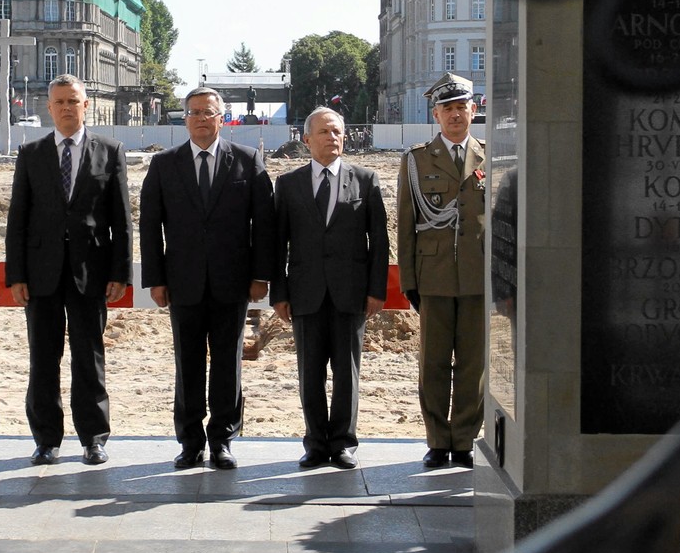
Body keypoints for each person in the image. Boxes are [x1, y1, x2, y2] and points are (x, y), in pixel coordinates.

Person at [139, 86, 275, 470]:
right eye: (194, 112)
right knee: (188, 362)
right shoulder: (164, 165)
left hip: (233, 282)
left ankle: (222, 439)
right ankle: (190, 441)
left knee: (228, 363)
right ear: (185, 118)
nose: (201, 118)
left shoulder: (248, 162)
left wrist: (261, 276)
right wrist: (156, 279)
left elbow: (263, 225)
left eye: (209, 112)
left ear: (222, 117)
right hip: (182, 282)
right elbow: (150, 226)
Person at [5, 74, 132, 466]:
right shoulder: (31, 153)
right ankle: (46, 439)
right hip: (41, 274)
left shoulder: (109, 152)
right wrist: (17, 275)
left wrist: (120, 274)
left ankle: (93, 437)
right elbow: (17, 219)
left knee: (88, 357)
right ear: (49, 107)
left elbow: (122, 220)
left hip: (89, 272)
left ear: (86, 104)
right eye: (59, 102)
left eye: (73, 101)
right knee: (43, 358)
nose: (66, 108)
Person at [271, 107, 388, 470]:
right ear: (306, 140)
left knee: (347, 370)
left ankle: (343, 443)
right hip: (305, 292)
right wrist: (280, 292)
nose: (332, 138)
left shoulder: (365, 180)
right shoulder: (288, 184)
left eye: (337, 131)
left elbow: (380, 241)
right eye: (324, 132)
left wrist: (376, 290)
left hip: (350, 292)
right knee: (310, 372)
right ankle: (315, 442)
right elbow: (278, 243)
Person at [398, 72, 487, 470]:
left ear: (474, 109)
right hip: (432, 278)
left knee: (473, 364)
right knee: (433, 363)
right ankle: (437, 440)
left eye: (461, 107)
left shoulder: (492, 156)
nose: (455, 115)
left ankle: (464, 439)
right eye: (447, 108)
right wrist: (409, 282)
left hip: (478, 277)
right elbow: (405, 224)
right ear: (436, 114)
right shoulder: (417, 161)